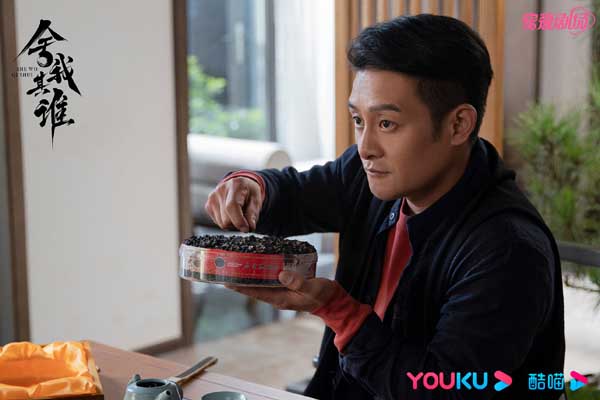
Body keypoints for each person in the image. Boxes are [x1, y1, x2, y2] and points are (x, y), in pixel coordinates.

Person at [204, 14, 565, 400]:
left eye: (387, 124)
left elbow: (439, 390)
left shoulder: (508, 250)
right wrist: (250, 188)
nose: (365, 148)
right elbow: (293, 193)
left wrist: (338, 310)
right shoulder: (367, 173)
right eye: (358, 120)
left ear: (459, 125)